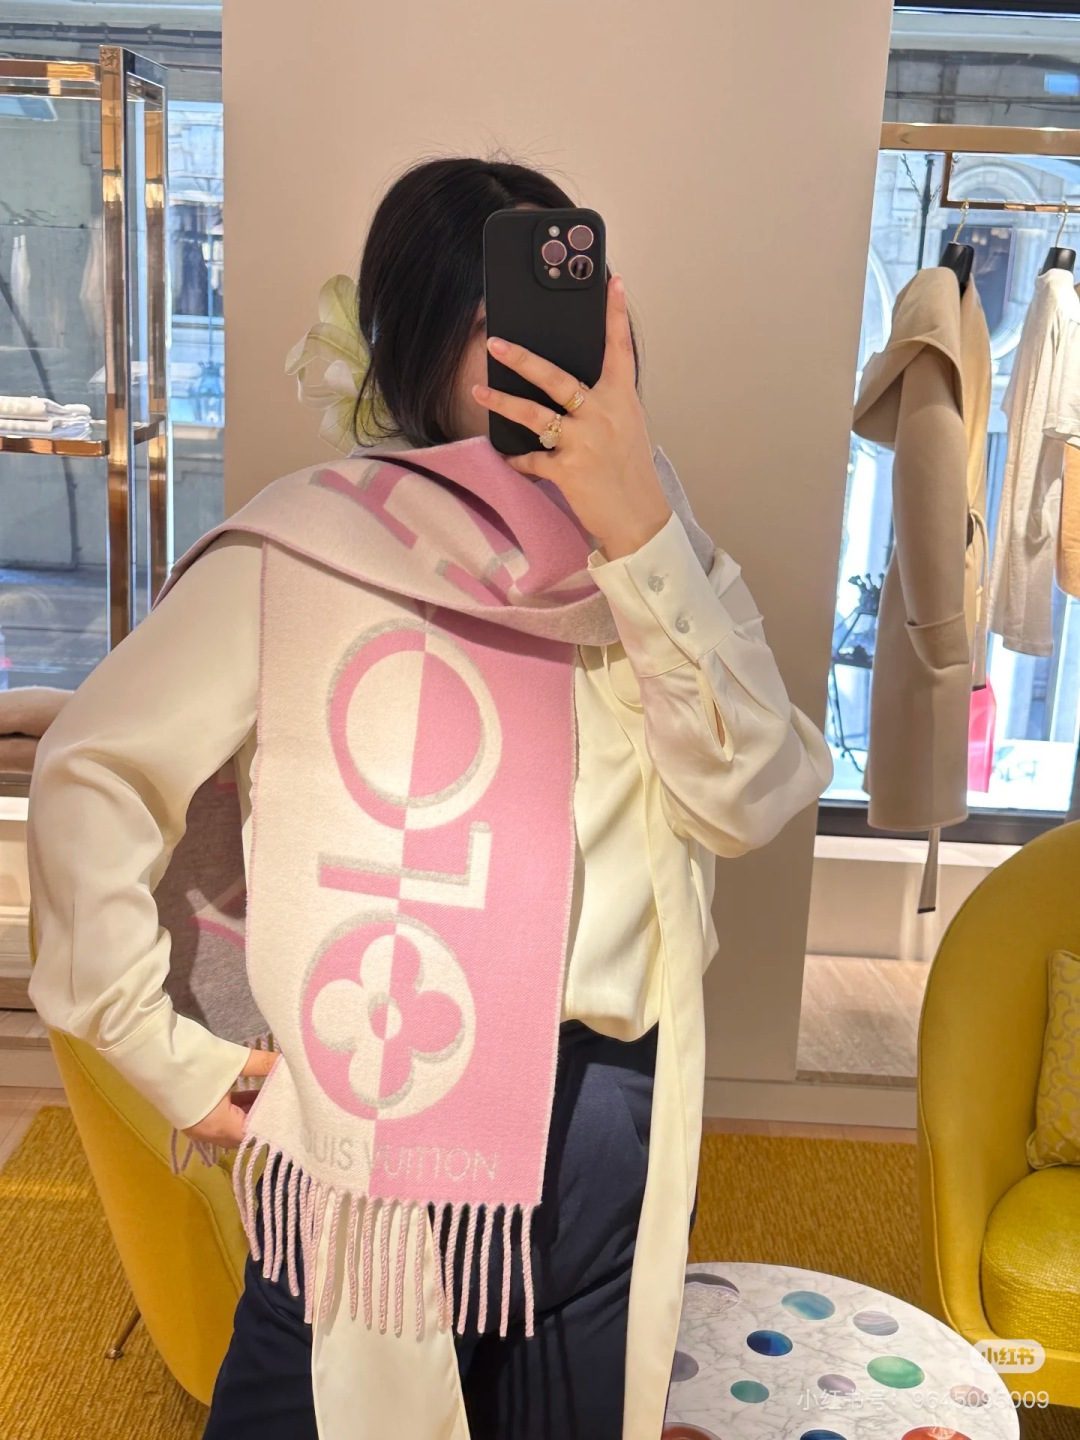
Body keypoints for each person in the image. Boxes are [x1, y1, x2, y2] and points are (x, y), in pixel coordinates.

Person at [25, 155, 834, 1440]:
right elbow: (91, 777)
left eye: (568, 320)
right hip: (379, 1119)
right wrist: (164, 1054)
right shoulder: (312, 543)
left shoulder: (651, 551)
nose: (541, 359)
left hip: (600, 1125)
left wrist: (636, 527)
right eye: (494, 327)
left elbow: (751, 796)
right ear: (411, 347)